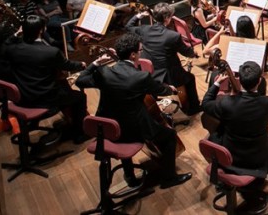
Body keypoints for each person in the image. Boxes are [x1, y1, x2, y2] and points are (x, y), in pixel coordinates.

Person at [75, 33, 192, 189]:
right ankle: (169, 178)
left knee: (122, 121)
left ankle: (129, 176)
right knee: (169, 135)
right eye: (140, 50)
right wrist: (170, 89)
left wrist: (95, 63)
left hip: (108, 128)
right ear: (133, 54)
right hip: (132, 131)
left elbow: (80, 80)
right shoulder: (140, 77)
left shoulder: (104, 72)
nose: (141, 53)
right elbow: (161, 89)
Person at [201, 60, 268, 212]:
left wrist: (216, 85)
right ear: (259, 81)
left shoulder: (226, 104)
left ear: (239, 80)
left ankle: (226, 179)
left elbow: (206, 104)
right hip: (257, 156)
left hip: (230, 155)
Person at [5, 15, 88, 142]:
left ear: (23, 30)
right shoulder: (50, 52)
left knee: (63, 87)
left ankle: (69, 120)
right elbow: (67, 65)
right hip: (43, 99)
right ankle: (79, 134)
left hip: (22, 96)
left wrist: (16, 34)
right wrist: (81, 64)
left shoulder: (12, 48)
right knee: (80, 97)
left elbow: (5, 45)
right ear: (41, 31)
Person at [126, 3, 200, 115]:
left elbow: (128, 27)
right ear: (166, 18)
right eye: (170, 16)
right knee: (190, 78)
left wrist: (139, 15)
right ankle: (193, 108)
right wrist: (194, 53)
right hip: (168, 75)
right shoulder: (173, 36)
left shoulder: (144, 30)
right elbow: (187, 53)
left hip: (149, 72)